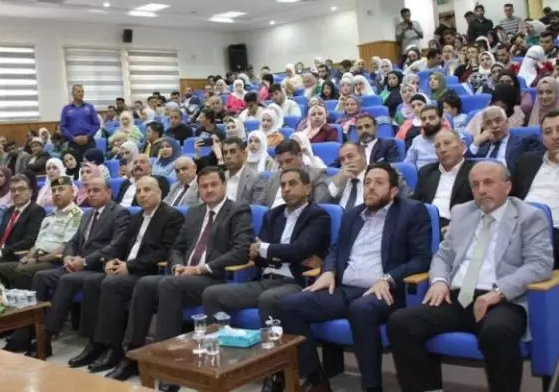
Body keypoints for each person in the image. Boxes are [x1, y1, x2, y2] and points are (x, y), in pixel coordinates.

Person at [387, 161, 553, 392]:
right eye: (475, 185)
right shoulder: (462, 212)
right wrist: (439, 281)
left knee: (497, 333)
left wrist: (498, 292)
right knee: (401, 322)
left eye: (488, 183)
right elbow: (443, 256)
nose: (481, 190)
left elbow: (540, 264)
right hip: (457, 297)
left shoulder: (530, 216)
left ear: (507, 187)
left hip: (503, 300)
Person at [277, 162, 431, 392]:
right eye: (367, 182)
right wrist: (328, 271)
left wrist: (388, 278)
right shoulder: (352, 215)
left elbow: (421, 259)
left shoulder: (412, 212)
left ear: (393, 191)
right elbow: (336, 250)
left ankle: (372, 387)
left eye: (379, 183)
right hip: (345, 289)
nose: (371, 187)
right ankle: (317, 379)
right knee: (288, 306)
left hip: (384, 291)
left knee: (361, 309)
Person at [122, 167, 252, 391]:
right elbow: (177, 247)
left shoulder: (238, 211)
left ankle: (169, 367)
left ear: (224, 185)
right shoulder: (194, 212)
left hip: (215, 278)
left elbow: (241, 251)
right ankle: (131, 356)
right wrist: (177, 265)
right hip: (185, 276)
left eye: (213, 185)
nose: (208, 190)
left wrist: (199, 269)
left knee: (169, 284)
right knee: (145, 283)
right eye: (204, 186)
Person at [201, 169, 330, 388]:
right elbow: (259, 255)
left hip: (296, 283)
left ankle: (275, 373)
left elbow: (299, 249)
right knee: (212, 294)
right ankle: (225, 363)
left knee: (269, 299)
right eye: (283, 185)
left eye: (293, 184)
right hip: (265, 278)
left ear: (308, 188)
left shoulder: (318, 216)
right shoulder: (273, 215)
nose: (287, 189)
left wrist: (266, 249)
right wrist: (276, 252)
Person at [70, 177, 185, 378]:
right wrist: (110, 260)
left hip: (148, 271)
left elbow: (165, 252)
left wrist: (129, 267)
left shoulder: (172, 216)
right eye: (139, 191)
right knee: (92, 281)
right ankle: (95, 343)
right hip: (126, 269)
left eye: (147, 190)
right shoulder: (137, 216)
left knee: (112, 284)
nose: (142, 195)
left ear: (159, 193)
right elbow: (120, 244)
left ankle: (115, 349)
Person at [28, 177, 131, 357]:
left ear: (108, 192)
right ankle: (32, 330)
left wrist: (84, 261)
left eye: (96, 190)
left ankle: (46, 337)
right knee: (41, 276)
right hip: (77, 264)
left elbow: (115, 246)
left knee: (68, 280)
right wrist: (68, 257)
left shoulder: (120, 213)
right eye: (88, 191)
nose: (91, 194)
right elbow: (73, 242)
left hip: (98, 267)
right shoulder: (87, 214)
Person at [0, 176, 84, 348]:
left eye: (61, 189)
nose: (56, 193)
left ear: (73, 192)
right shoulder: (49, 216)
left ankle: (25, 331)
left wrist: (35, 259)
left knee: (23, 272)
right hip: (37, 258)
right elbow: (37, 244)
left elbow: (65, 247)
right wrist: (28, 257)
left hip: (54, 262)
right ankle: (9, 323)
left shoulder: (76, 215)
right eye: (54, 190)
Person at [510, 109, 559, 266]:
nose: (555, 136)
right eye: (548, 132)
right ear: (542, 138)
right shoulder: (527, 161)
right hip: (520, 228)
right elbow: (509, 196)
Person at [412, 130, 475, 231]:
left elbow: (478, 209)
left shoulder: (474, 172)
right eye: (437, 146)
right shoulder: (426, 172)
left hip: (457, 226)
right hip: (425, 225)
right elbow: (415, 203)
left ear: (462, 146)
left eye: (447, 143)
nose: (442, 149)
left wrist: (455, 227)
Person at [257, 140, 328, 209]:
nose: (284, 166)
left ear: (300, 156)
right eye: (280, 163)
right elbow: (259, 205)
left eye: (288, 161)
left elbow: (317, 206)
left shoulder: (317, 175)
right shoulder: (273, 178)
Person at [466, 106, 542, 169]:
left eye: (498, 121)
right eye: (488, 123)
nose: (494, 126)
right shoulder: (481, 146)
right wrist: (477, 142)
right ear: (484, 127)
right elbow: (466, 164)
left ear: (507, 122)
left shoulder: (524, 141)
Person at [334, 114, 400, 167]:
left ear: (376, 127)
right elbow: (333, 167)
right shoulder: (350, 148)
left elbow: (393, 168)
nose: (364, 131)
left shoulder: (388, 145)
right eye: (360, 128)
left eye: (367, 126)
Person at [215, 137, 263, 205]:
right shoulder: (219, 178)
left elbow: (256, 207)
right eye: (225, 153)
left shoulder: (256, 178)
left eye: (232, 152)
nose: (228, 156)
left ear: (244, 154)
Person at [60, 84, 101, 156]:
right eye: (79, 91)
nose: (81, 93)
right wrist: (73, 138)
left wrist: (87, 136)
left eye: (82, 91)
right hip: (73, 142)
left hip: (88, 141)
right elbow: (63, 127)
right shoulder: (66, 109)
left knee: (91, 161)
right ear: (73, 93)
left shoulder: (90, 107)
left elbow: (96, 124)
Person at [404, 104, 446, 169]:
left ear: (441, 120)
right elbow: (407, 165)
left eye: (431, 118)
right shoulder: (417, 140)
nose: (427, 121)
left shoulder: (453, 138)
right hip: (422, 174)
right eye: (424, 119)